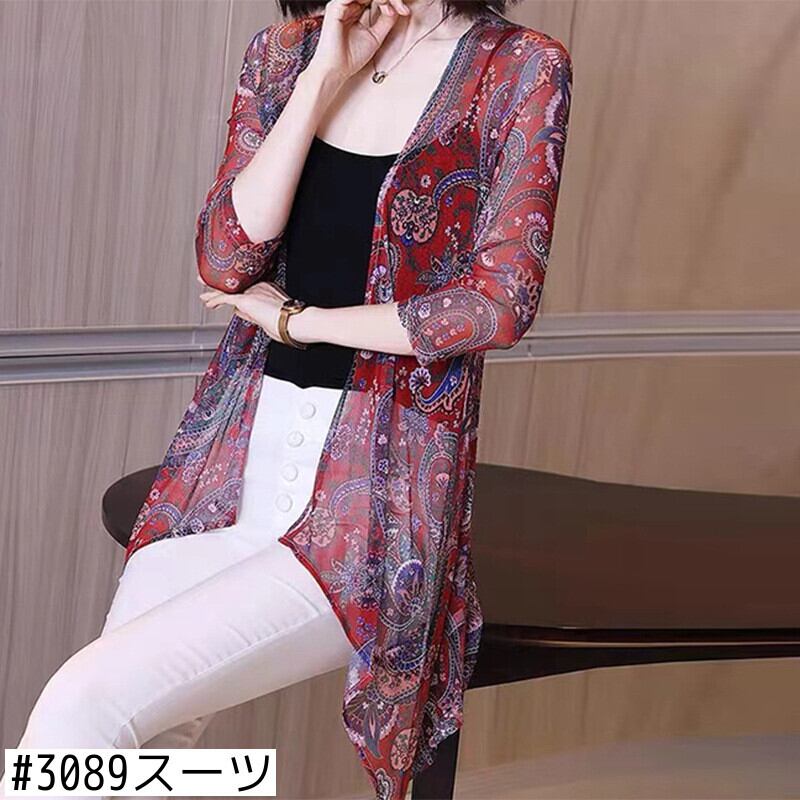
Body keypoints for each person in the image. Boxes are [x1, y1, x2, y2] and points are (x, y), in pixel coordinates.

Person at [1, 1, 573, 798]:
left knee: (83, 705)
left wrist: (298, 322)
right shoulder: (286, 55)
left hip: (371, 509)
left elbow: (497, 303)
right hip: (229, 477)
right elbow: (225, 258)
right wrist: (321, 80)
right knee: (145, 749)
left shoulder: (520, 67)